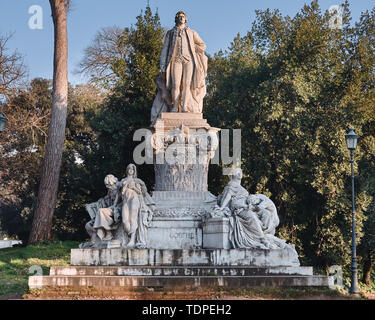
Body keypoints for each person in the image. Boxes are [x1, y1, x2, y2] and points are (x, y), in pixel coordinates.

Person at [153, 11, 208, 115]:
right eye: (179, 16)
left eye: (183, 16)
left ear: (186, 19)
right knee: (176, 85)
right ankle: (174, 107)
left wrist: (192, 46)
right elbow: (165, 49)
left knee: (186, 85)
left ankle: (184, 107)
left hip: (188, 61)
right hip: (175, 60)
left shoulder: (192, 32)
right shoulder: (170, 33)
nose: (181, 18)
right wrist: (162, 65)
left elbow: (203, 46)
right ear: (176, 19)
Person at [117, 164, 155, 248]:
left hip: (134, 199)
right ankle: (130, 234)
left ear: (134, 171)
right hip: (125, 201)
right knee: (125, 221)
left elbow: (142, 192)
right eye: (129, 168)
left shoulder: (137, 180)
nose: (131, 170)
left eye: (132, 169)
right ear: (127, 170)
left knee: (133, 219)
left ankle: (132, 240)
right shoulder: (123, 180)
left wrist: (133, 187)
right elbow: (118, 193)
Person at [81, 174, 120, 248]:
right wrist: (91, 206)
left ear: (113, 182)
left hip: (117, 209)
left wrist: (109, 208)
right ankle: (95, 239)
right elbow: (103, 200)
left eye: (108, 184)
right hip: (110, 209)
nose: (107, 186)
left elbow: (116, 204)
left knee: (101, 211)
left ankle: (108, 233)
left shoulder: (118, 190)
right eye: (106, 185)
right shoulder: (110, 191)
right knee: (88, 225)